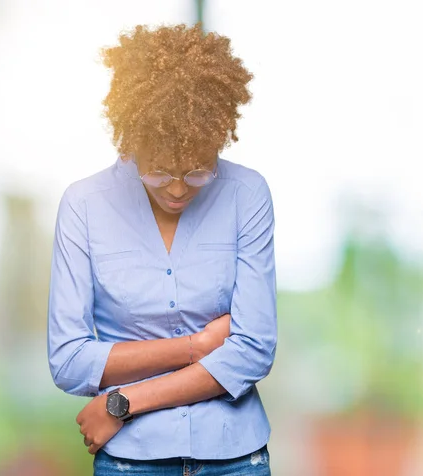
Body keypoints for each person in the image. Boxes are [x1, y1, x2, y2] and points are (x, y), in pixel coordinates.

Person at [47, 23, 276, 476]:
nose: (176, 189)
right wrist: (197, 346)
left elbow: (253, 350)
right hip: (131, 463)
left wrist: (122, 402)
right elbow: (69, 359)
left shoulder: (247, 194)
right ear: (131, 142)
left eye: (197, 171)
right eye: (158, 171)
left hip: (237, 459)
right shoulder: (84, 205)